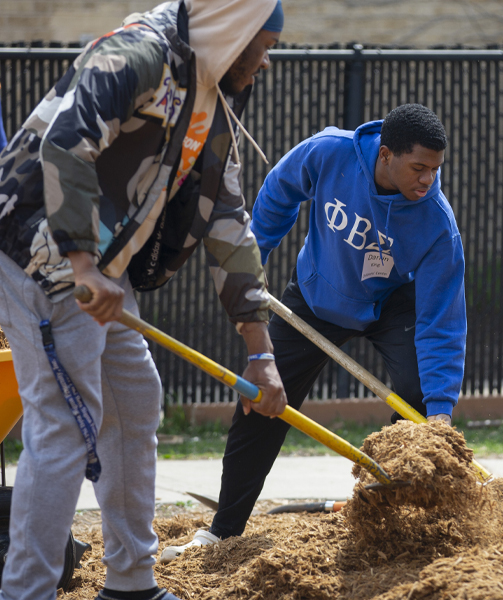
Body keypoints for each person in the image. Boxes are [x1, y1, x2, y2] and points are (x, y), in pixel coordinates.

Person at [0, 1, 289, 599]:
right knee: (63, 429)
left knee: (133, 404)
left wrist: (260, 352)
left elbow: (229, 222)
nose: (267, 59)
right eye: (263, 44)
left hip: (102, 266)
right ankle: (24, 593)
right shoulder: (136, 55)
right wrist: (83, 264)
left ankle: (131, 583)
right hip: (44, 250)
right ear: (232, 31)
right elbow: (65, 142)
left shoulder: (210, 95)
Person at [161, 103, 467, 560]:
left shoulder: (437, 225)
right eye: (418, 168)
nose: (428, 180)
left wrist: (441, 410)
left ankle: (392, 517)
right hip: (316, 295)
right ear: (386, 155)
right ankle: (222, 531)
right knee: (262, 401)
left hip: (391, 304)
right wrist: (251, 260)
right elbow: (278, 194)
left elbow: (441, 320)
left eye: (435, 169)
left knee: (419, 398)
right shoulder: (329, 152)